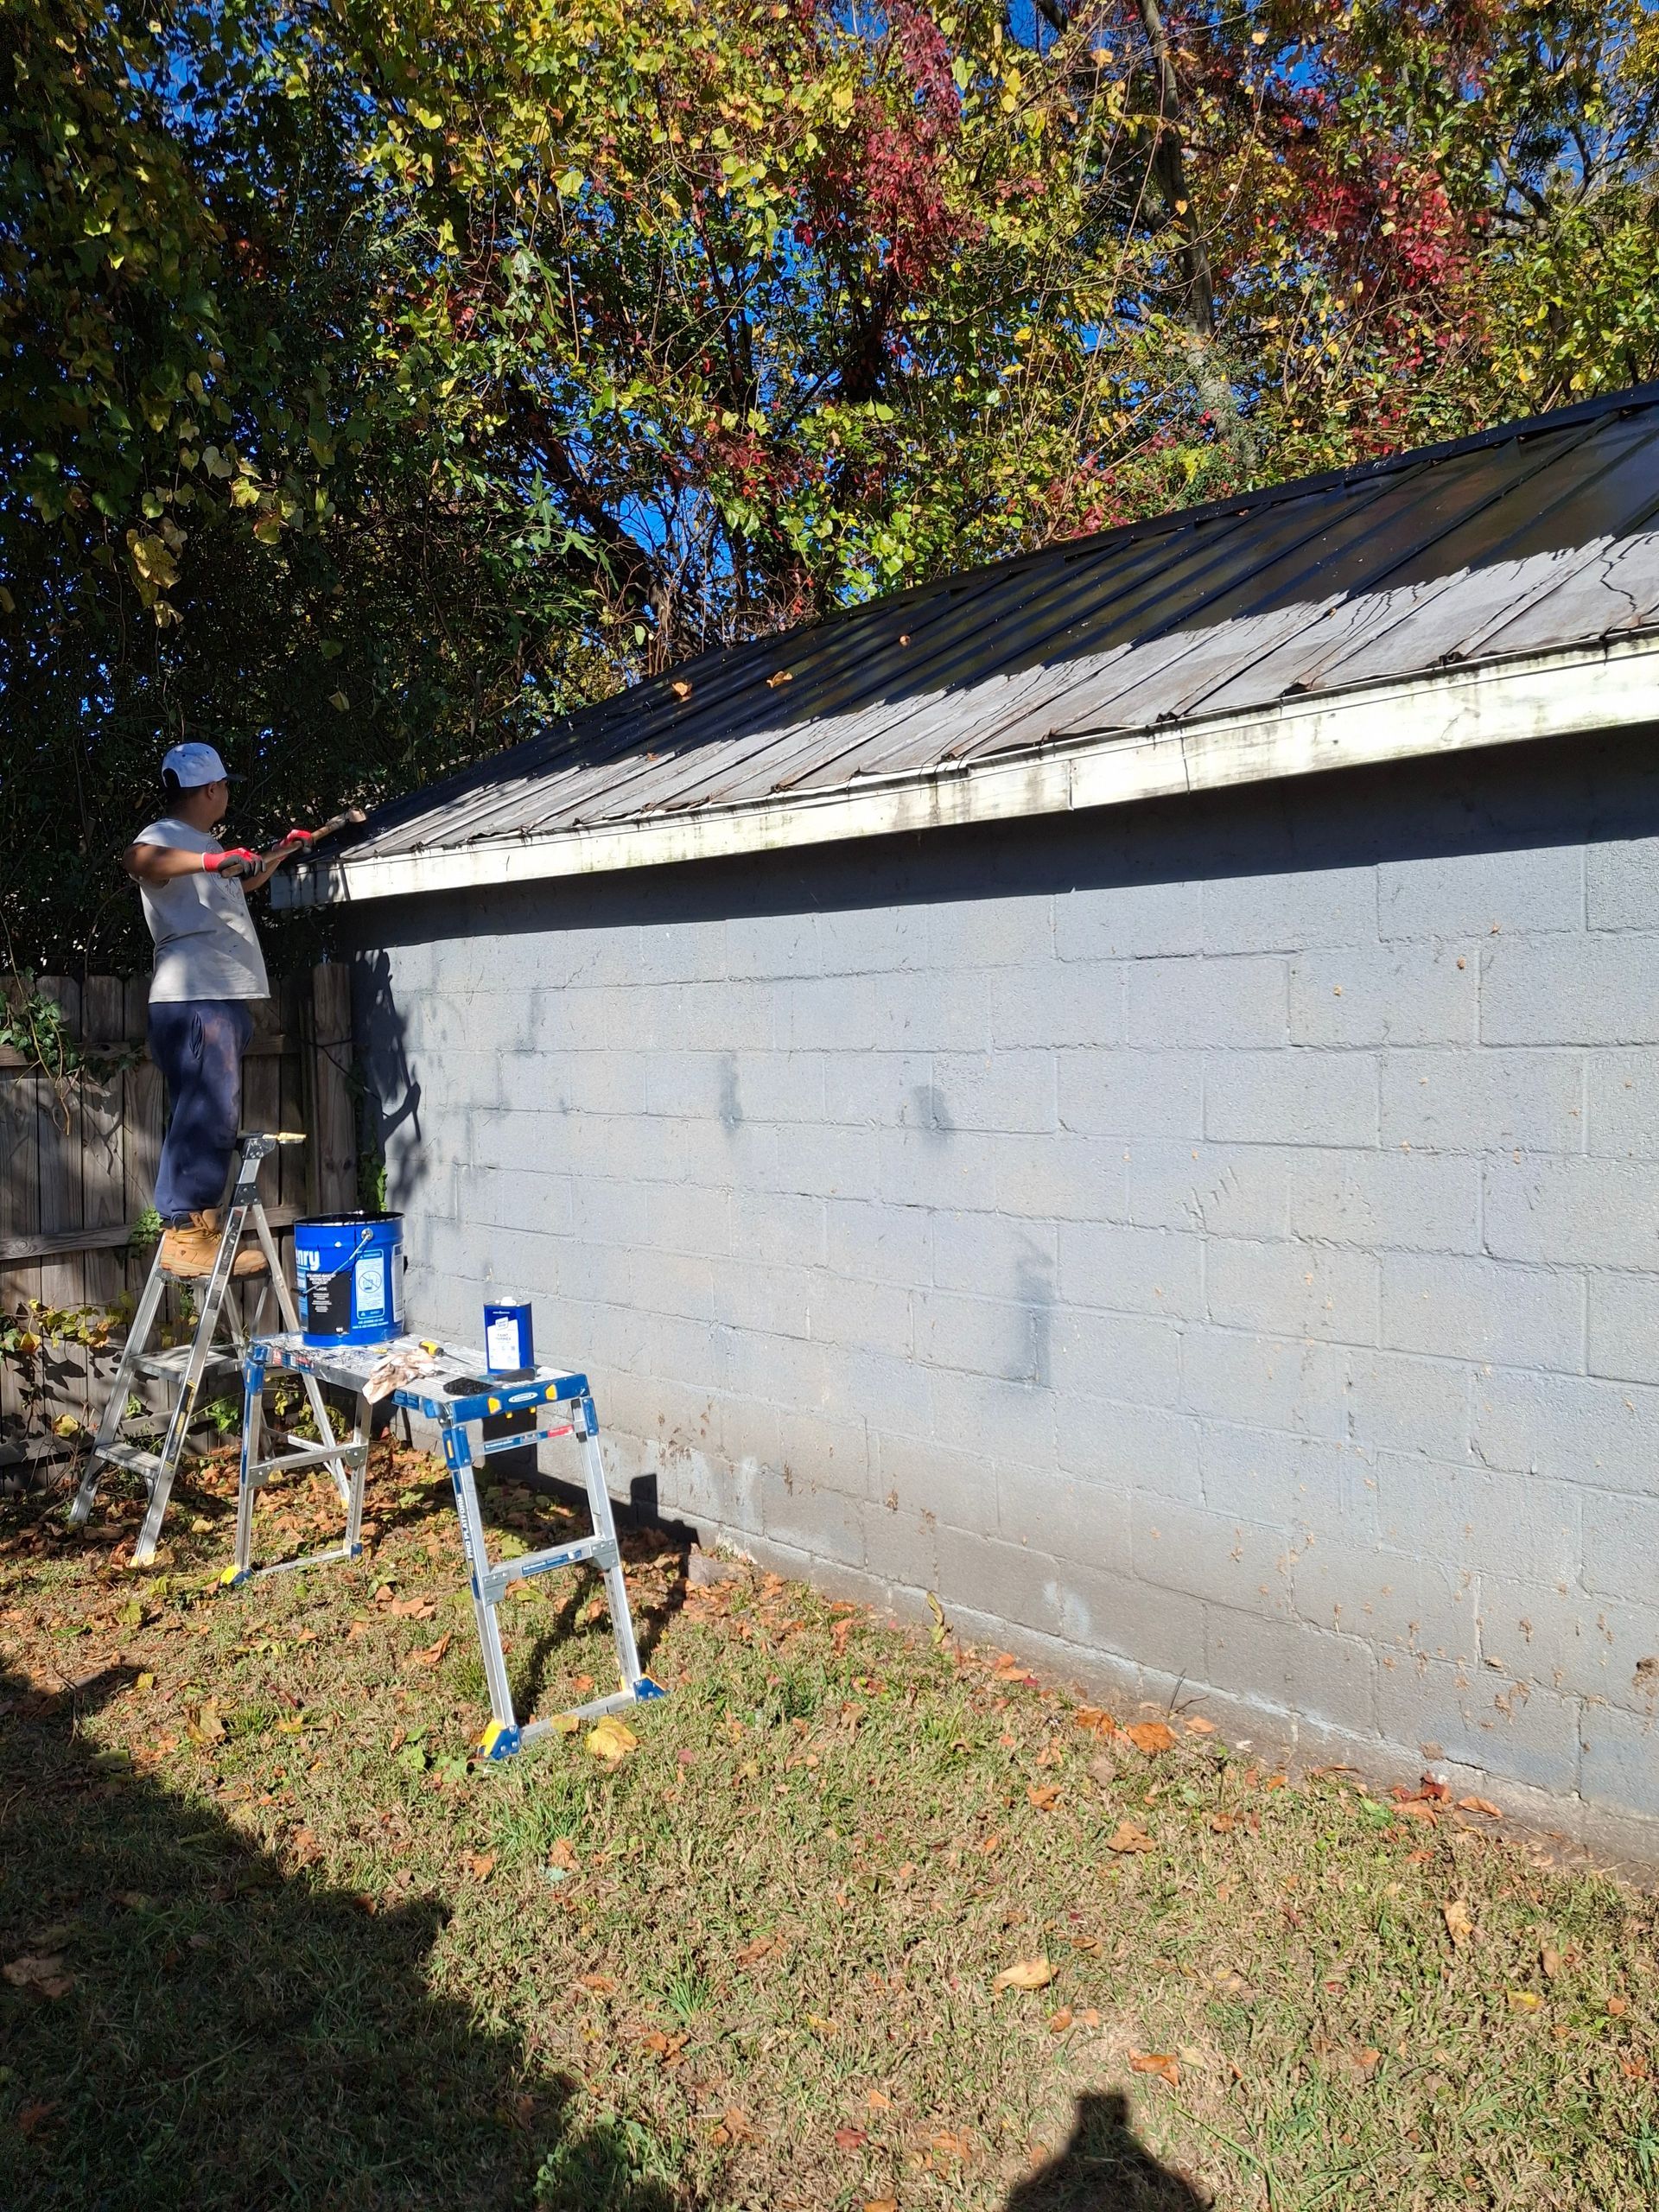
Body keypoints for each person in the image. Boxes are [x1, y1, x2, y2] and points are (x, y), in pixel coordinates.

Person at [124, 742, 304, 1276]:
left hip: (216, 996)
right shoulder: (165, 839)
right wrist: (210, 859)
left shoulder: (202, 845)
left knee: (204, 1114)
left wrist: (275, 855)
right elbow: (136, 861)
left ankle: (198, 1224)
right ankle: (184, 1230)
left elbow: (235, 882)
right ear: (209, 789)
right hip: (194, 996)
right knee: (208, 1111)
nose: (227, 792)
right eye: (224, 785)